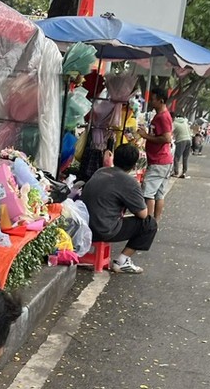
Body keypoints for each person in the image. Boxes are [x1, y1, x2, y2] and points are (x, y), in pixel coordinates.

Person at [80, 141, 156, 274]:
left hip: (84, 224)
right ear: (134, 164)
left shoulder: (101, 171)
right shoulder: (129, 183)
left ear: (114, 158)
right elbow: (143, 214)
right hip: (103, 230)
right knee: (149, 224)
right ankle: (122, 261)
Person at [136, 87, 175, 222]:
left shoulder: (163, 117)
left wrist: (146, 136)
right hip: (163, 161)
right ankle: (155, 222)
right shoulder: (160, 116)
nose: (151, 102)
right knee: (159, 194)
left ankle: (147, 223)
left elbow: (166, 138)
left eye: (153, 99)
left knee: (148, 194)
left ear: (161, 100)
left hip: (159, 161)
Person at [172, 114, 193, 178]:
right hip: (189, 140)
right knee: (185, 158)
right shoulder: (185, 123)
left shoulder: (174, 123)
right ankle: (184, 172)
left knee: (176, 157)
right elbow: (190, 132)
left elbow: (169, 131)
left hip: (181, 140)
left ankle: (176, 172)